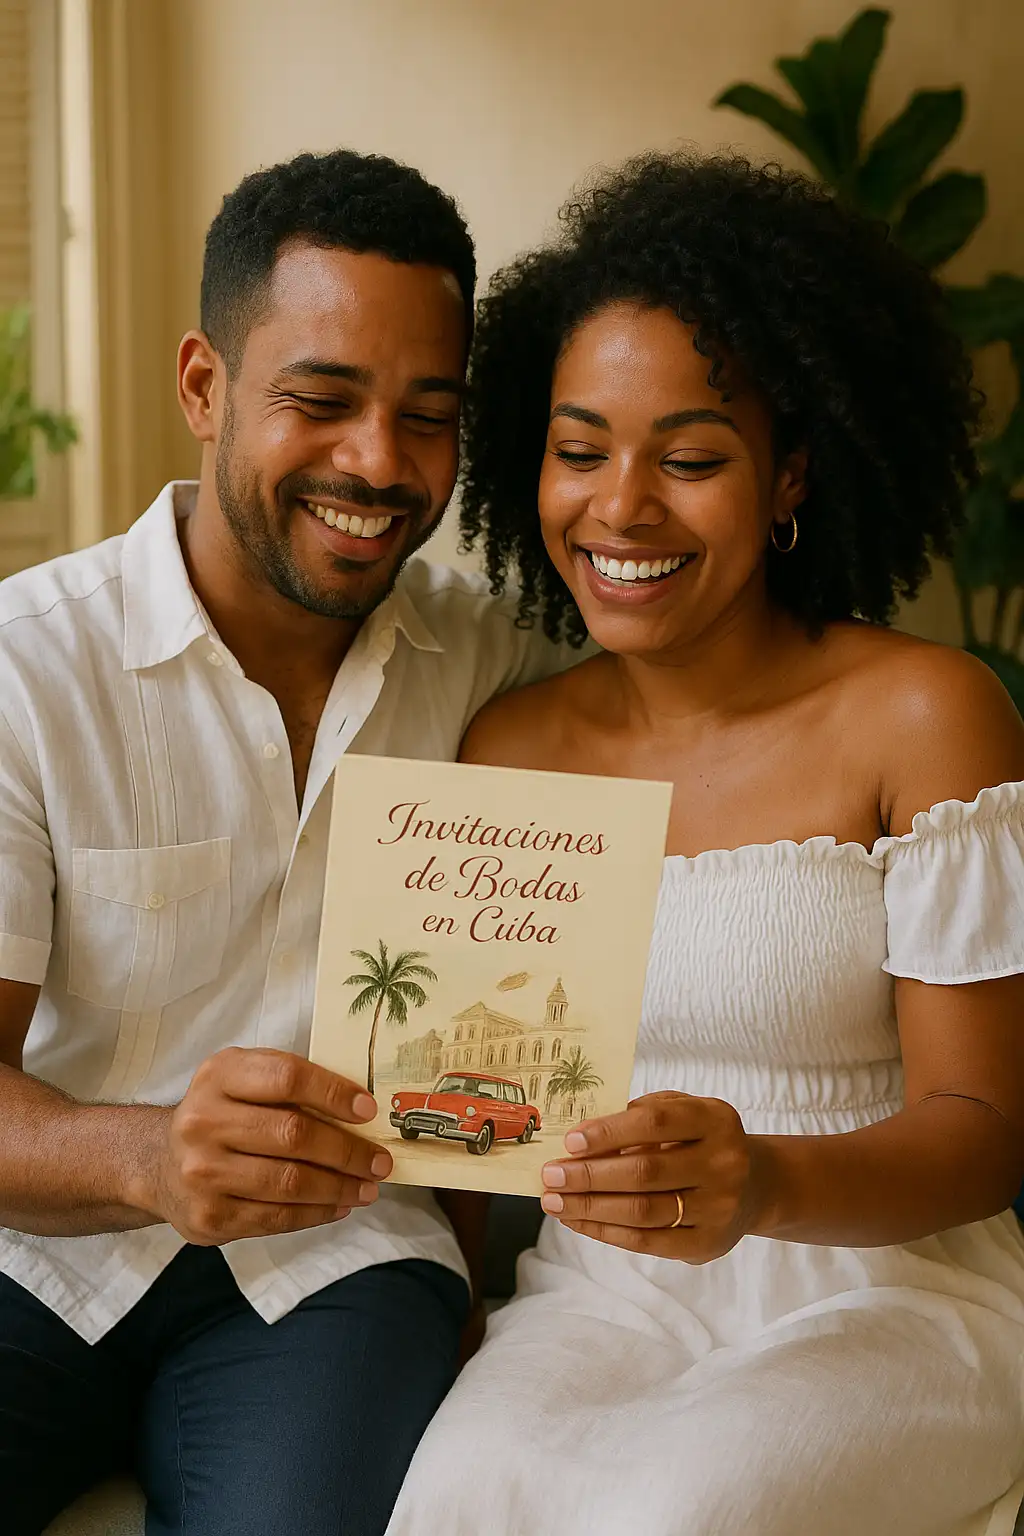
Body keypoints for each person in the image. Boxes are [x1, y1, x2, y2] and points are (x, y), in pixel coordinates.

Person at [386, 153, 1024, 1536]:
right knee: (455, 1496)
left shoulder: (924, 717)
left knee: (672, 1513)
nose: (621, 509)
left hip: (892, 1294)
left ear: (789, 470)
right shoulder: (509, 749)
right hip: (603, 1297)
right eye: (577, 450)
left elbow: (987, 1133)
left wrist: (771, 1182)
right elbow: (468, 1147)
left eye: (689, 458)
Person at [0, 148, 579, 1536]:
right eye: (320, 402)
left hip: (341, 1271)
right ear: (204, 387)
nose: (378, 465)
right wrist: (143, 1157)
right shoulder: (26, 668)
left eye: (428, 417)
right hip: (32, 1255)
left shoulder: (507, 670)